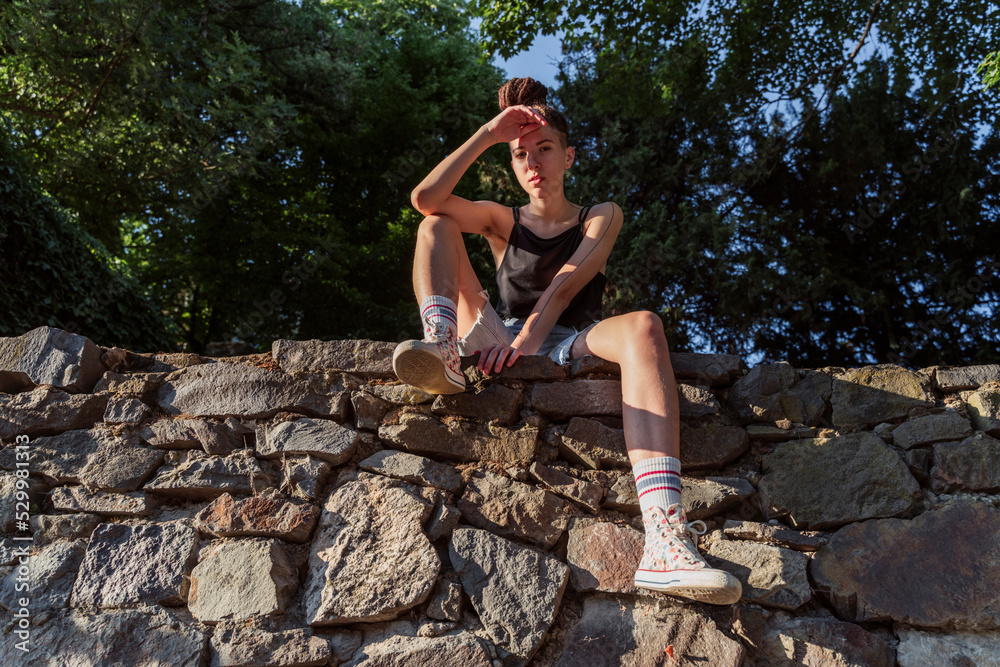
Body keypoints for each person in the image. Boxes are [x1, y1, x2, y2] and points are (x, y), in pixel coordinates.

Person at [392, 77, 742, 605]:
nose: (533, 162)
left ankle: (665, 540)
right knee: (434, 225)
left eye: (545, 149)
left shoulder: (599, 216)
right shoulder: (500, 219)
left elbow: (563, 287)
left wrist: (527, 345)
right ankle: (441, 347)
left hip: (566, 338)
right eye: (519, 154)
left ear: (569, 156)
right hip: (494, 332)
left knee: (645, 324)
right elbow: (425, 198)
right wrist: (489, 134)